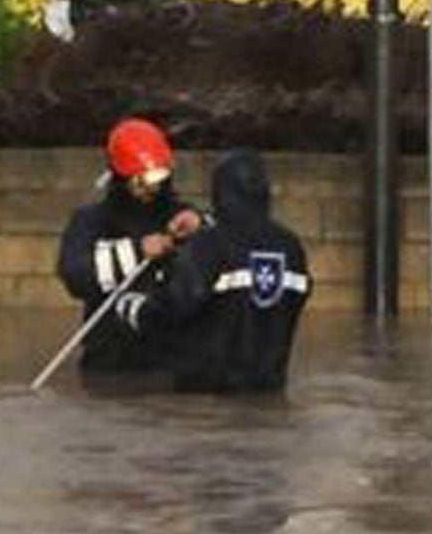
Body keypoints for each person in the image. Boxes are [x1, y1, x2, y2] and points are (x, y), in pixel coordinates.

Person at [115, 148, 311, 394]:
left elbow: (175, 306)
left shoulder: (211, 244)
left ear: (220, 192)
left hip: (207, 397)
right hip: (270, 388)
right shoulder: (292, 247)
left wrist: (133, 308)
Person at [55, 117, 201, 375]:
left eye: (157, 178)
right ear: (119, 178)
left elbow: (226, 249)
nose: (149, 188)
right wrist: (137, 252)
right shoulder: (91, 220)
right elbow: (74, 275)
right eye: (139, 181)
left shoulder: (183, 218)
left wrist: (202, 224)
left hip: (172, 361)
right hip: (109, 360)